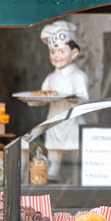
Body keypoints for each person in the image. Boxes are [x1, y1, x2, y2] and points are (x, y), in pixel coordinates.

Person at [23, 20, 89, 182]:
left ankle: (81, 179)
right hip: (54, 119)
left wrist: (74, 99)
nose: (56, 56)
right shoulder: (50, 78)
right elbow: (43, 96)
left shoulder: (79, 76)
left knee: (76, 153)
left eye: (61, 51)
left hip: (72, 121)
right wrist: (33, 100)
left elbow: (85, 98)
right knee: (53, 153)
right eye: (53, 52)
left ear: (74, 53)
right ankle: (52, 175)